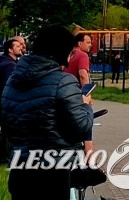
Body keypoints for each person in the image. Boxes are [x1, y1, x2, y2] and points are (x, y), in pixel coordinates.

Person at [1, 25, 94, 199]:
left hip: (20, 169)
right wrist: (85, 105)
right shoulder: (63, 81)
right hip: (52, 172)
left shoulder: (13, 80)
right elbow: (81, 127)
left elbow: (7, 123)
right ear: (62, 51)